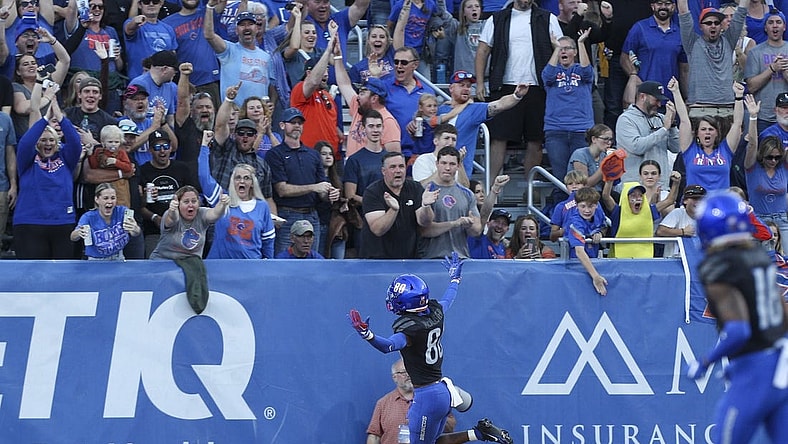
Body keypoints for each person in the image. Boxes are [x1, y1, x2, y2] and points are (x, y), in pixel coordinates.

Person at [348, 253, 514, 444]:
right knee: (434, 441)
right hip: (442, 390)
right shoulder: (435, 312)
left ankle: (478, 431)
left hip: (427, 397)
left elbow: (389, 346)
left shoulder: (410, 329)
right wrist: (455, 279)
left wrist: (367, 335)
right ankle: (479, 433)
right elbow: (447, 300)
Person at [688, 191, 788, 444]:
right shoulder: (762, 258)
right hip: (782, 363)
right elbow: (782, 312)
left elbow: (739, 331)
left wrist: (706, 361)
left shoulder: (719, 266)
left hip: (754, 370)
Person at [474, 0, 563, 178]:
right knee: (498, 138)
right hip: (504, 85)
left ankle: (528, 193)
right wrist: (480, 83)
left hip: (538, 86)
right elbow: (482, 51)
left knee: (535, 140)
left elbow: (561, 49)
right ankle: (488, 190)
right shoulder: (497, 19)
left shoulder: (548, 18)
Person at [13, 96, 80, 259]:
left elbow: (75, 143)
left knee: (62, 276)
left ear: (57, 143)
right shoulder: (27, 159)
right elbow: (25, 143)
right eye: (43, 140)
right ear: (37, 144)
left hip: (62, 222)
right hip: (29, 222)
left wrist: (60, 116)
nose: (47, 144)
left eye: (51, 140)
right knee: (32, 276)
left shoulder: (66, 157)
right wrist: (45, 119)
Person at [266, 107, 340, 255]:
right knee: (284, 262)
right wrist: (315, 187)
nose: (297, 126)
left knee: (313, 263)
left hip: (312, 215)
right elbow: (282, 190)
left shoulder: (313, 155)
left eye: (300, 123)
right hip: (287, 215)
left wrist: (330, 194)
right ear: (282, 125)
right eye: (292, 122)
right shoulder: (275, 154)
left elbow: (322, 193)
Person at [197, 130, 276, 259]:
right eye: (238, 178)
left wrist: (267, 267)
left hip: (250, 269)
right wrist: (205, 146)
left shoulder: (262, 207)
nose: (242, 181)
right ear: (232, 181)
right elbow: (203, 176)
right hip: (221, 267)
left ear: (252, 183)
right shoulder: (222, 200)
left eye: (246, 178)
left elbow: (268, 241)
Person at [668, 76, 757, 191]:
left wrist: (739, 97)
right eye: (703, 129)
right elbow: (684, 119)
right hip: (695, 203)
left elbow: (737, 123)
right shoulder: (690, 150)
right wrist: (676, 91)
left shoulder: (726, 149)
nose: (707, 132)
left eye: (711, 129)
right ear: (697, 133)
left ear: (717, 133)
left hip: (720, 203)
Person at [437, 70, 529, 177]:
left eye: (469, 86)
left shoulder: (474, 109)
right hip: (437, 170)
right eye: (461, 85)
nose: (466, 89)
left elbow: (499, 105)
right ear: (451, 88)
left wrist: (516, 95)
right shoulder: (440, 109)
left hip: (461, 173)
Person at [359, 151, 438, 259]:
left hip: (409, 258)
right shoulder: (373, 192)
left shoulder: (415, 188)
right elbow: (378, 229)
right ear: (383, 171)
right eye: (392, 167)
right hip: (377, 259)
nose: (398, 171)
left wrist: (425, 206)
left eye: (401, 166)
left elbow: (424, 222)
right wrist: (393, 210)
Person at [542, 30, 595, 190]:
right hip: (556, 131)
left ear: (575, 52)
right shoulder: (552, 71)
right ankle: (561, 212)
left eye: (567, 48)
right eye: (560, 48)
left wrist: (580, 42)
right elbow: (548, 76)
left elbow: (587, 72)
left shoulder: (582, 71)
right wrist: (556, 49)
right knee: (560, 178)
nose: (563, 51)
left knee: (581, 180)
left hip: (581, 130)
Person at [677, 0, 748, 117]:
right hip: (700, 108)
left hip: (727, 108)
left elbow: (741, 12)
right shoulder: (692, 42)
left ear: (721, 26)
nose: (713, 25)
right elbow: (683, 12)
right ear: (700, 26)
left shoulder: (728, 40)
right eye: (708, 23)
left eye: (716, 22)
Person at [138, 129, 199, 257]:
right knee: (154, 269)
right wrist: (155, 217)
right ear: (150, 150)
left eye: (165, 146)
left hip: (180, 229)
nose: (162, 151)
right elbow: (139, 206)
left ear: (171, 148)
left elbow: (194, 199)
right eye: (157, 147)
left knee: (183, 266)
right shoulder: (143, 170)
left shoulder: (182, 168)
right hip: (154, 231)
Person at [204, 7, 277, 106]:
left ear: (256, 29)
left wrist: (271, 106)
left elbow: (271, 87)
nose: (247, 28)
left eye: (250, 24)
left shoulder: (266, 57)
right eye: (242, 25)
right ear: (236, 30)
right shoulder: (228, 50)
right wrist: (209, 8)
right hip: (234, 115)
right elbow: (209, 35)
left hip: (258, 114)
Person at [616, 80, 680, 190]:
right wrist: (664, 129)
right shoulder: (626, 119)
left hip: (661, 186)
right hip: (635, 188)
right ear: (642, 97)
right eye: (656, 100)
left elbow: (676, 148)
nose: (659, 105)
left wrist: (672, 125)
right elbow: (637, 147)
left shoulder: (661, 118)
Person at [620, 0, 687, 106]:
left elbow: (684, 70)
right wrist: (636, 79)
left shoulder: (680, 33)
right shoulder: (639, 28)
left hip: (670, 99)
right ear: (652, 6)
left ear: (673, 7)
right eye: (659, 3)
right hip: (645, 98)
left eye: (667, 4)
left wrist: (687, 98)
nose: (663, 7)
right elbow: (624, 58)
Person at [419, 147, 482, 258]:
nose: (447, 168)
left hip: (461, 258)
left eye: (452, 164)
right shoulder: (425, 191)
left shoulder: (467, 193)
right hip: (430, 259)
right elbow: (424, 230)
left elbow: (477, 231)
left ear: (458, 166)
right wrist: (454, 223)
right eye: (443, 163)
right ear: (437, 164)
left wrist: (469, 226)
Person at [292, 31, 341, 157]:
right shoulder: (299, 90)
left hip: (332, 159)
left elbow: (329, 124)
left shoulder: (328, 96)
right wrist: (329, 49)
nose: (326, 74)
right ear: (309, 73)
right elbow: (313, 81)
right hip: (309, 157)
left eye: (327, 70)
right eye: (322, 71)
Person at [149, 185, 229, 259]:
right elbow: (172, 220)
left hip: (191, 262)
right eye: (186, 202)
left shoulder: (201, 213)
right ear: (178, 204)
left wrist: (222, 204)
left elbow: (215, 213)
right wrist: (172, 211)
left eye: (194, 201)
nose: (190, 205)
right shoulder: (170, 213)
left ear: (198, 203)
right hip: (163, 260)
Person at [744, 7, 788, 135]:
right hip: (763, 116)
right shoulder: (755, 52)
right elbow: (751, 87)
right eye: (771, 22)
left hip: (786, 115)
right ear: (765, 28)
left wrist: (785, 71)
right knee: (764, 153)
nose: (775, 26)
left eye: (778, 22)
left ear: (784, 27)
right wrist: (772, 69)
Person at [70, 182, 141, 260]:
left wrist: (135, 229)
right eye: (106, 198)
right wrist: (78, 233)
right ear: (97, 199)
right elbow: (73, 237)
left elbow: (135, 233)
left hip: (118, 257)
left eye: (113, 198)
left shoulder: (122, 212)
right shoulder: (88, 217)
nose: (110, 201)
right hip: (96, 260)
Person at [745, 134, 788, 253]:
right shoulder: (752, 167)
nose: (773, 160)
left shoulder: (783, 166)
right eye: (770, 157)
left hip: (781, 220)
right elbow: (752, 144)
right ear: (762, 155)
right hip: (759, 219)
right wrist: (753, 118)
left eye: (777, 157)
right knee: (757, 262)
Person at [564, 186, 608, 295]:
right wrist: (596, 277)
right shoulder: (575, 222)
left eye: (590, 206)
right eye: (583, 206)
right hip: (577, 266)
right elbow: (579, 251)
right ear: (577, 206)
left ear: (596, 205)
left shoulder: (598, 211)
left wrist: (600, 233)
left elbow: (604, 226)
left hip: (595, 260)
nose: (587, 210)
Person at [601, 181, 660, 258]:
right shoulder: (617, 211)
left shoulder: (650, 211)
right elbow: (605, 196)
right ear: (626, 198)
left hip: (644, 259)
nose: (638, 198)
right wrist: (610, 179)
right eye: (633, 196)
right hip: (618, 260)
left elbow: (670, 201)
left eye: (640, 195)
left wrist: (676, 183)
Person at [123, 0, 177, 80]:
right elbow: (129, 29)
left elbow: (173, 54)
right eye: (146, 2)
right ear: (140, 5)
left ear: (161, 4)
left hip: (163, 82)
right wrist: (135, 22)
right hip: (139, 80)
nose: (151, 4)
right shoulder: (133, 23)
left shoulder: (168, 29)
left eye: (155, 2)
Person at [365, 359, 414, 444]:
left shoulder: (428, 401)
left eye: (411, 370)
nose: (409, 375)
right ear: (394, 377)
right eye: (404, 372)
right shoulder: (383, 404)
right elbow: (374, 436)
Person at [88, 124, 133, 207]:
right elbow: (94, 166)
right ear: (103, 142)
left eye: (116, 142)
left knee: (122, 204)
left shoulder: (121, 152)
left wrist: (116, 162)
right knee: (102, 204)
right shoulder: (99, 151)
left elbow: (128, 167)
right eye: (110, 142)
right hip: (103, 182)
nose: (113, 144)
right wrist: (90, 155)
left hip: (119, 184)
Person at [656, 183, 706, 257]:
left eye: (701, 199)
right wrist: (682, 231)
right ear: (685, 200)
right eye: (695, 199)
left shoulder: (707, 218)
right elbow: (660, 231)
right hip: (674, 261)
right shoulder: (678, 213)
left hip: (698, 260)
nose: (698, 202)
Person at [567, 123, 611, 190]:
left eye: (610, 139)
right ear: (594, 139)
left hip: (601, 194)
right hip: (584, 195)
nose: (609, 142)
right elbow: (585, 184)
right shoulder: (580, 154)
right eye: (605, 139)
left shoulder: (604, 155)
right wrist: (604, 167)